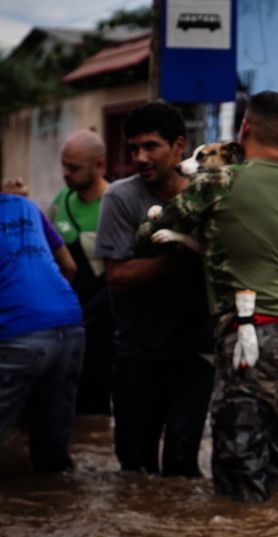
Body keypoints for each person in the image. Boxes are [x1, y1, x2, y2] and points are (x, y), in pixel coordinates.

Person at [137, 91, 278, 502]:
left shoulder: (218, 181)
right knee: (275, 462)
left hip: (248, 337)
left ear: (243, 129)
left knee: (238, 471)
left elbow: (149, 235)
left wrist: (203, 239)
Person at [95, 102, 214, 477]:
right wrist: (178, 258)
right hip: (137, 353)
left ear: (179, 145)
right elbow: (117, 274)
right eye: (134, 149)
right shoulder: (121, 198)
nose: (140, 157)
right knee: (135, 468)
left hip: (194, 353)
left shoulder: (207, 194)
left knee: (182, 467)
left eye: (151, 146)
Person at [0, 192, 85, 472]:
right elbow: (69, 267)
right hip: (70, 323)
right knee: (53, 455)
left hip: (21, 333)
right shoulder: (26, 205)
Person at [49, 129, 114, 415]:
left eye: (73, 167)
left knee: (95, 404)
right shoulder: (61, 201)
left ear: (98, 165)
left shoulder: (115, 204)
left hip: (102, 326)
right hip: (65, 323)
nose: (65, 173)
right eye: (63, 165)